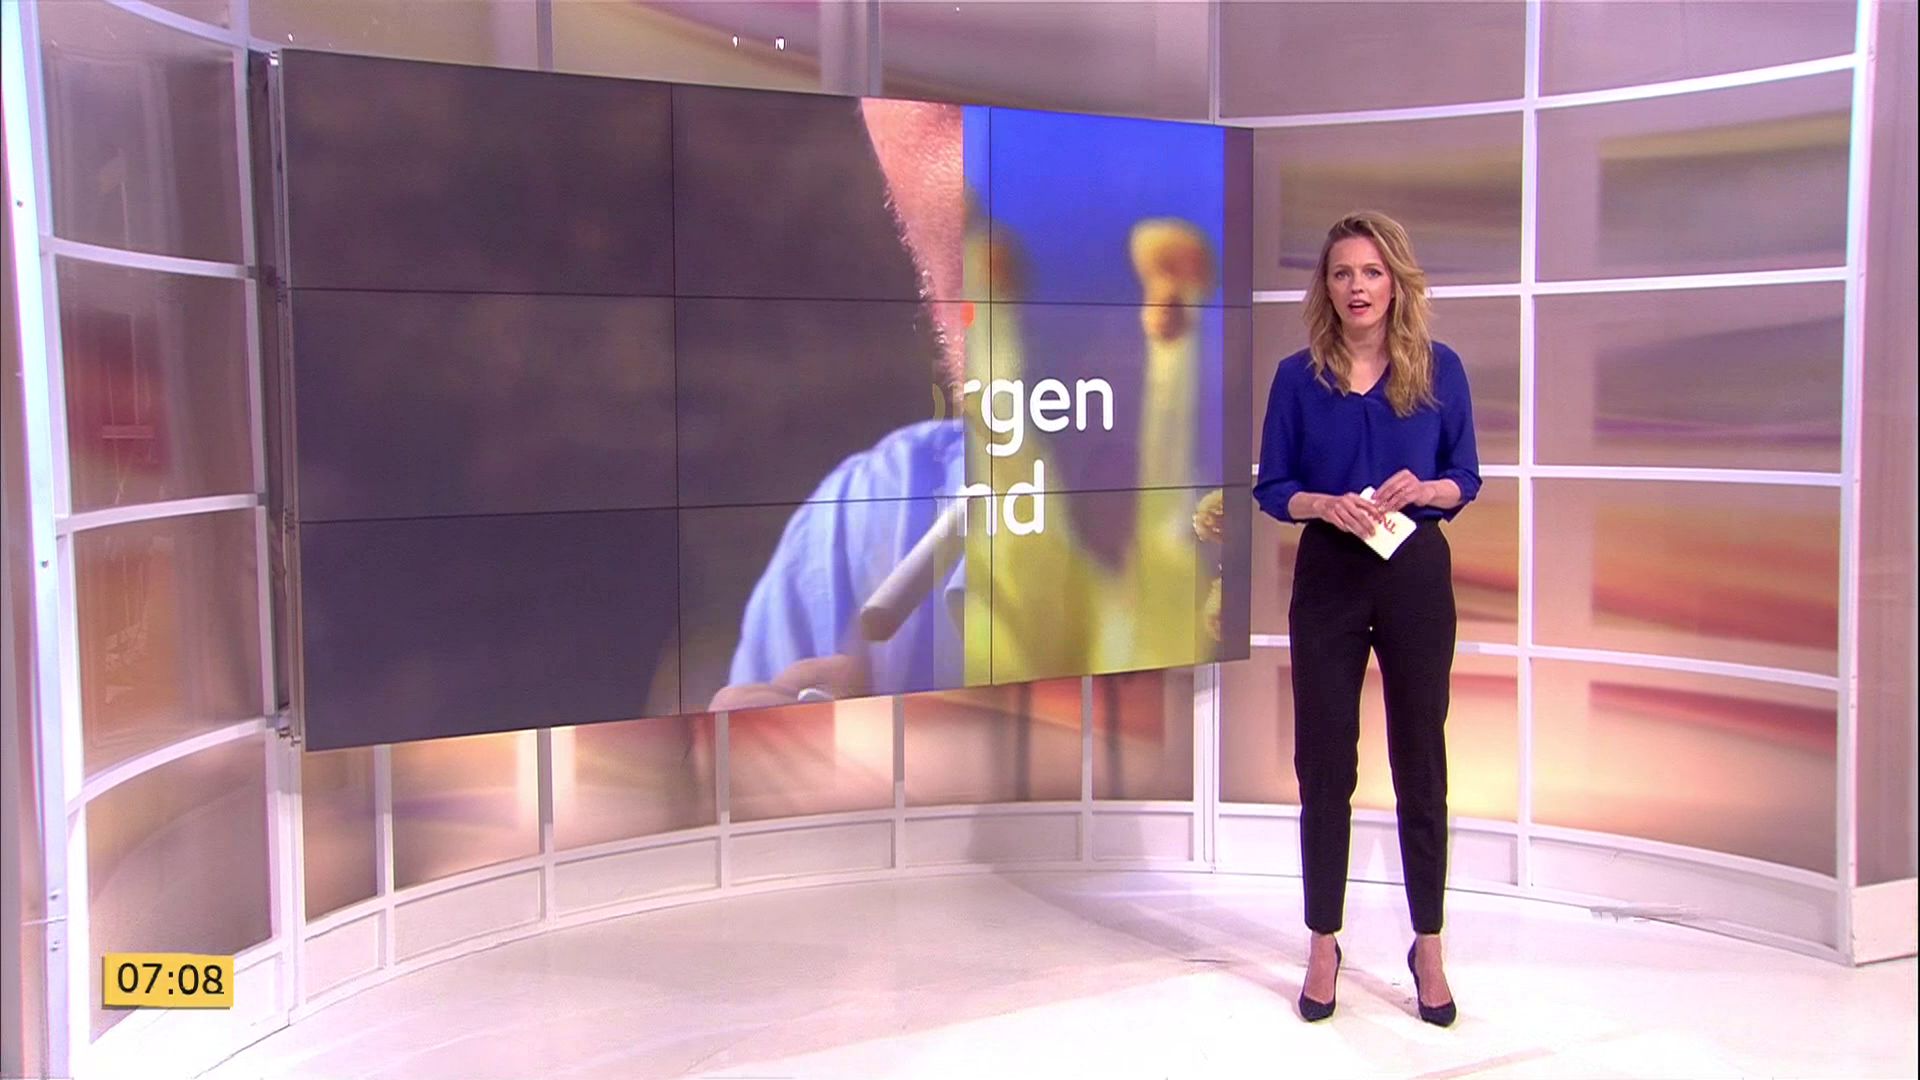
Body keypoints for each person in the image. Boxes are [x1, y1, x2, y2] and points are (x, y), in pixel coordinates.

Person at [1253, 211, 1480, 1026]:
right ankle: (1323, 941)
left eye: (1372, 272)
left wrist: (1425, 489)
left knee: (1421, 758)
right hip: (1329, 576)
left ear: (1396, 283)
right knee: (1324, 763)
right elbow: (1273, 487)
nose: (1358, 286)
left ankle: (1428, 943)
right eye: (1343, 272)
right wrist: (1322, 504)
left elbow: (1465, 477)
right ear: (1326, 286)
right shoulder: (1296, 377)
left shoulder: (1440, 369)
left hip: (1414, 574)